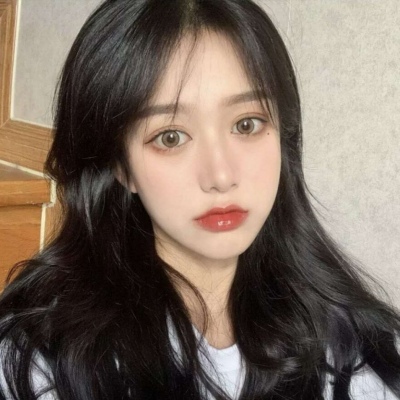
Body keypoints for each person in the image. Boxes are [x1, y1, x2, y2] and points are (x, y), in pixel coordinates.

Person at [0, 0, 399, 398]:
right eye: (170, 137)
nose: (221, 177)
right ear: (121, 165)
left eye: (247, 124)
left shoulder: (360, 352)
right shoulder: (41, 362)